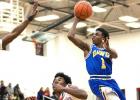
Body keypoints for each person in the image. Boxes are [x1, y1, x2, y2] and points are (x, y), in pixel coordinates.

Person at [67, 17, 126, 100]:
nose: (93, 36)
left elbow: (116, 56)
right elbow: (70, 36)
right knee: (112, 97)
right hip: (96, 81)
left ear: (103, 39)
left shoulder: (109, 51)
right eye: (93, 34)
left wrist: (108, 48)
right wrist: (76, 20)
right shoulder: (88, 48)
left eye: (96, 34)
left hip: (110, 81)